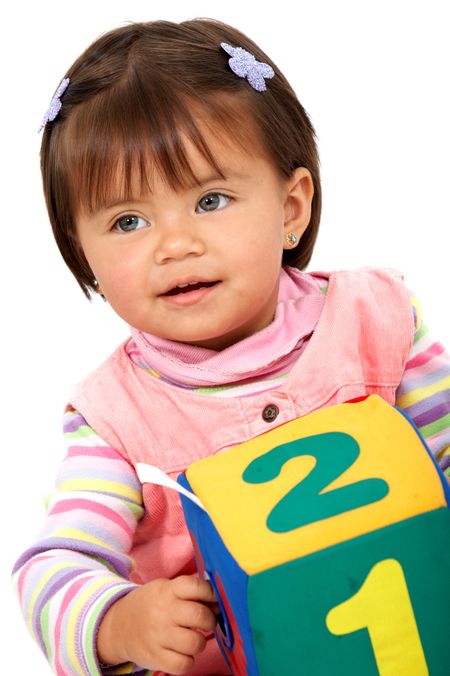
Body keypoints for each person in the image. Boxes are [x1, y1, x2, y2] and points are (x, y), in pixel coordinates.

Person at [12, 17, 450, 676]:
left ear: (291, 209)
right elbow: (53, 568)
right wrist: (120, 620)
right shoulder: (114, 421)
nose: (175, 243)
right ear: (84, 253)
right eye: (128, 220)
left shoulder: (374, 321)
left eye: (211, 200)